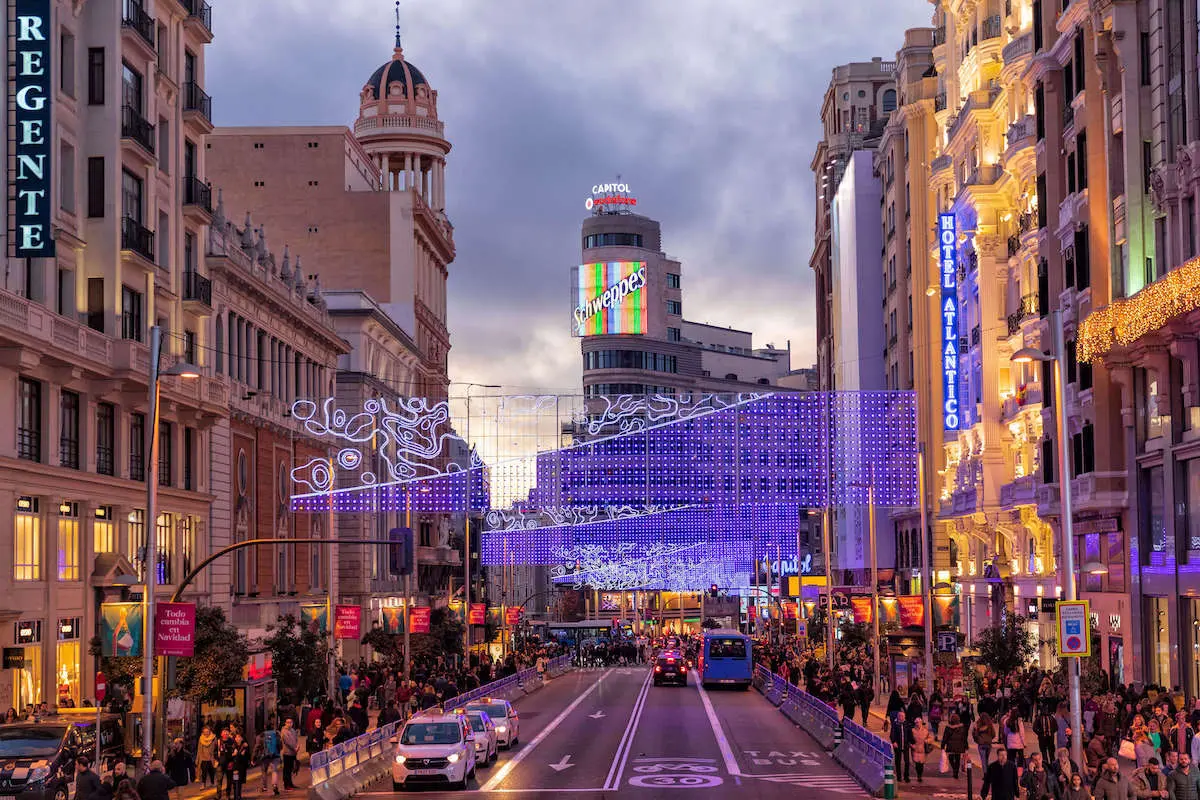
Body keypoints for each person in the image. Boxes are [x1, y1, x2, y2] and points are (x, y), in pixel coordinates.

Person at [942, 712, 969, 780]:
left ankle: (954, 769)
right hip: (959, 746)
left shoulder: (948, 728)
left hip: (951, 745)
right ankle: (956, 772)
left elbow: (945, 737)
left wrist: (943, 745)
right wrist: (966, 746)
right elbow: (964, 738)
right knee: (957, 759)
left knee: (951, 758)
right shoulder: (962, 728)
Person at [257, 722, 281, 795]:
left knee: (264, 771)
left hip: (265, 756)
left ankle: (264, 787)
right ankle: (274, 786)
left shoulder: (261, 735)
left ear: (265, 727)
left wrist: (253, 757)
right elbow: (280, 745)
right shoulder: (276, 734)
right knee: (274, 770)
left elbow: (257, 746)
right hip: (275, 755)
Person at [889, 710, 913, 783]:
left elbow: (910, 734)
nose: (901, 717)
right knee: (898, 761)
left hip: (905, 746)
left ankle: (906, 776)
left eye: (902, 716)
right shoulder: (895, 724)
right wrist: (894, 742)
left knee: (907, 762)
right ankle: (899, 777)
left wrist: (911, 742)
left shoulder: (907, 724)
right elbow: (892, 734)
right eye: (900, 716)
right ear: (898, 717)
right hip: (898, 746)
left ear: (904, 717)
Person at [281, 718, 299, 791]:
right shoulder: (284, 731)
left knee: (291, 769)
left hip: (293, 753)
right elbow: (287, 742)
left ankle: (290, 783)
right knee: (287, 770)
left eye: (291, 722)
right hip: (287, 753)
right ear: (285, 723)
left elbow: (296, 739)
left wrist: (297, 746)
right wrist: (294, 748)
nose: (289, 724)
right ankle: (286, 785)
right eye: (288, 722)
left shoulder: (293, 730)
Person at [911, 716, 931, 783]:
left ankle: (920, 776)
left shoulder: (925, 731)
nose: (918, 724)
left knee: (921, 764)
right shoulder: (912, 730)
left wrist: (927, 741)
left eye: (919, 722)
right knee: (917, 764)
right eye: (916, 722)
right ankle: (918, 775)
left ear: (921, 723)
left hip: (923, 750)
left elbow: (930, 738)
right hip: (915, 749)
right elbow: (909, 739)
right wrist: (912, 745)